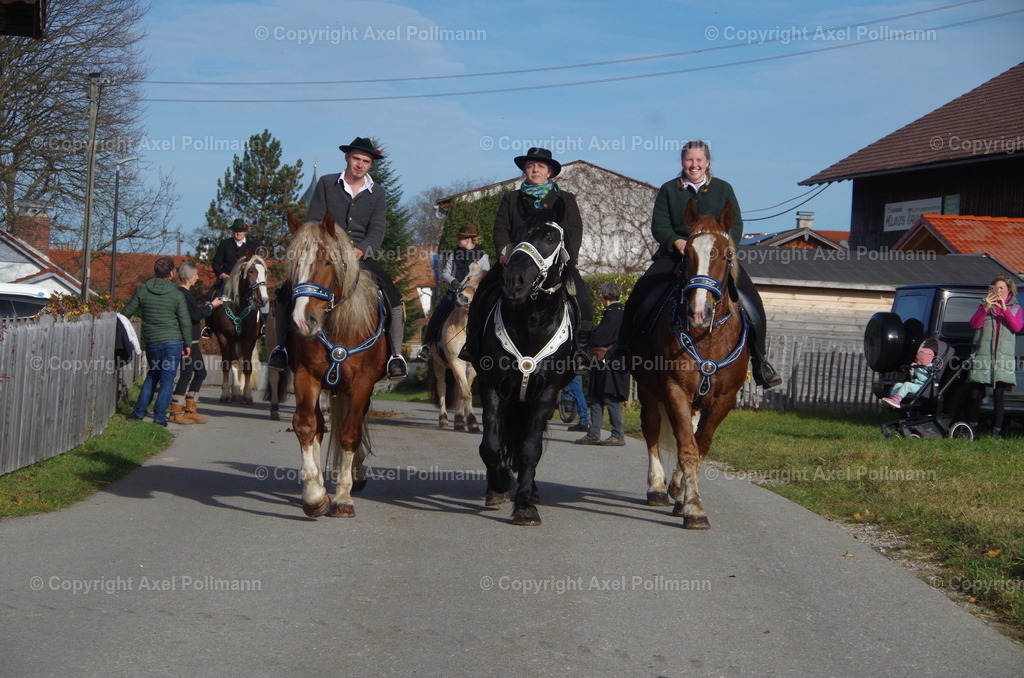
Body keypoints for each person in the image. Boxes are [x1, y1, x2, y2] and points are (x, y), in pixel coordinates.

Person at [614, 140, 782, 389]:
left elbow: (735, 224)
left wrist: (724, 250)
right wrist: (676, 242)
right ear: (682, 162)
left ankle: (760, 361)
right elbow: (659, 225)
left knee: (749, 297)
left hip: (717, 259)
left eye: (699, 160)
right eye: (689, 160)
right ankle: (624, 349)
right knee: (642, 291)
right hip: (677, 256)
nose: (694, 165)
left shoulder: (724, 189)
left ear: (708, 162)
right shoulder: (669, 189)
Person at [268, 136, 408, 378]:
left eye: (365, 161)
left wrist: (362, 249)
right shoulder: (326, 183)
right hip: (325, 254)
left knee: (391, 295)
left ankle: (395, 355)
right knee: (285, 292)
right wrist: (328, 246)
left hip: (359, 257)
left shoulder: (378, 193)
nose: (360, 164)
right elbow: (314, 221)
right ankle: (281, 348)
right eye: (356, 158)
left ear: (370, 164)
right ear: (347, 157)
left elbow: (377, 229)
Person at [461, 147, 593, 362]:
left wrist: (568, 258)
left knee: (581, 294)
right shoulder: (511, 199)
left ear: (549, 172)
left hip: (553, 261)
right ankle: (473, 341)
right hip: (516, 260)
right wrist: (504, 253)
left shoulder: (566, 199)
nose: (534, 170)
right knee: (484, 289)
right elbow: (501, 228)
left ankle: (580, 349)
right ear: (525, 171)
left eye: (540, 167)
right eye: (530, 166)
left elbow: (574, 230)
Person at [122, 257, 192, 426]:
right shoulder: (176, 294)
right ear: (171, 273)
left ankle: (139, 412)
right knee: (167, 379)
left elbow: (125, 313)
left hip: (153, 341)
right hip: (173, 342)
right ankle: (160, 417)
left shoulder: (142, 290)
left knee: (153, 375)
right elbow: (184, 321)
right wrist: (188, 344)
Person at [417, 223, 490, 362]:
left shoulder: (482, 257)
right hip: (453, 293)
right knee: (437, 315)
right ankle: (426, 346)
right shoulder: (454, 254)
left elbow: (485, 277)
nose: (458, 240)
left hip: (472, 297)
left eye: (460, 238)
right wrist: (454, 282)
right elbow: (445, 273)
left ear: (469, 239)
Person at [966, 275, 1023, 438]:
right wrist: (985, 308)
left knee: (998, 395)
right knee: (975, 393)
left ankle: (996, 433)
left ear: (1009, 290)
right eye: (995, 288)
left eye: (1001, 288)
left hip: (1003, 358)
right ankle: (973, 430)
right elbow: (974, 324)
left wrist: (1004, 309)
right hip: (984, 355)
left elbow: (1017, 327)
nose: (998, 291)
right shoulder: (984, 305)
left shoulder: (1015, 308)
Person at [168, 261, 224, 424]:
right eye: (196, 275)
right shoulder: (183, 294)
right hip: (187, 341)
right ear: (190, 277)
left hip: (192, 340)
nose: (198, 277)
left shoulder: (185, 294)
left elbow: (194, 312)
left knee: (200, 373)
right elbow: (195, 315)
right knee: (186, 374)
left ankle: (190, 409)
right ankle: (175, 412)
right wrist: (212, 306)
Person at [576, 282, 629, 446]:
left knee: (609, 397)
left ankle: (618, 434)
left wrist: (591, 334)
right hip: (610, 361)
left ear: (605, 297)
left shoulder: (613, 313)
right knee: (596, 396)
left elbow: (599, 337)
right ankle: (593, 433)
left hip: (609, 361)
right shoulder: (621, 312)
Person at [211, 219, 261, 300]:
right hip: (227, 280)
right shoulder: (225, 244)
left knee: (262, 299)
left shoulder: (254, 246)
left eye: (240, 231)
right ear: (232, 232)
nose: (238, 233)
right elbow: (215, 264)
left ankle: (264, 312)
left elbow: (257, 265)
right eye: (236, 231)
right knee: (209, 297)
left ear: (245, 232)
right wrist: (223, 275)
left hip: (247, 281)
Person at [879, 342, 936, 409]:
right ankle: (892, 399)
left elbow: (922, 378)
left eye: (918, 360)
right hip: (916, 385)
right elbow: (913, 379)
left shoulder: (928, 368)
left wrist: (916, 369)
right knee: (898, 385)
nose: (916, 361)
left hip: (923, 387)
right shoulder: (919, 367)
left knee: (907, 385)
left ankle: (896, 400)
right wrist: (912, 371)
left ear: (922, 361)